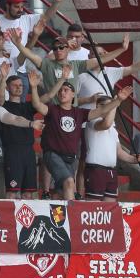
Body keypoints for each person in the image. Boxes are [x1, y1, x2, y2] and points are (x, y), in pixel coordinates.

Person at [29, 69, 124, 201]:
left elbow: (101, 110)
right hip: (53, 154)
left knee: (60, 192)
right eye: (60, 90)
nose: (62, 92)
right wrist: (33, 88)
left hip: (70, 158)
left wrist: (118, 100)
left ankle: (54, 218)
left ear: (73, 95)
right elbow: (37, 104)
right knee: (69, 183)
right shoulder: (52, 109)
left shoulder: (79, 113)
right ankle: (73, 219)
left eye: (66, 90)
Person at [8, 29, 129, 93]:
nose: (58, 50)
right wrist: (18, 44)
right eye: (55, 48)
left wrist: (122, 49)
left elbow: (100, 60)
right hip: (54, 109)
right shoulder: (47, 64)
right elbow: (31, 55)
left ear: (68, 49)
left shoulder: (76, 65)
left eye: (61, 47)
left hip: (73, 110)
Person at [0, 0, 65, 74]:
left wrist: (56, 3)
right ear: (7, 6)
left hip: (20, 70)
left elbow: (45, 17)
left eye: (22, 7)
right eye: (16, 7)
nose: (20, 10)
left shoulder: (25, 19)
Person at [85, 92, 140, 201]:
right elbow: (106, 124)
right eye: (108, 106)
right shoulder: (92, 121)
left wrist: (135, 159)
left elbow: (119, 152)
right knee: (93, 207)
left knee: (109, 208)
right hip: (96, 169)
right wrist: (116, 102)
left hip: (111, 171)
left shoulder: (113, 130)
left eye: (112, 106)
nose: (111, 108)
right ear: (98, 107)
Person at [0, 66, 40, 200]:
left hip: (29, 151)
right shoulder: (3, 106)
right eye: (14, 85)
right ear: (7, 88)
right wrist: (3, 78)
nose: (18, 87)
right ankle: (10, 220)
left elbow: (46, 98)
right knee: (12, 192)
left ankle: (26, 221)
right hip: (12, 150)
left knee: (28, 194)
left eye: (21, 85)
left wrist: (33, 87)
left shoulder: (28, 106)